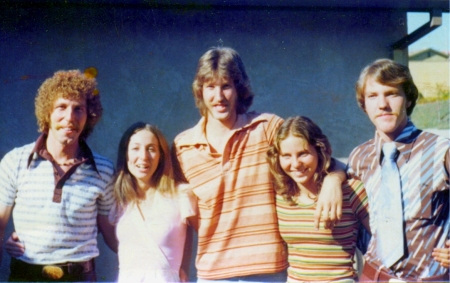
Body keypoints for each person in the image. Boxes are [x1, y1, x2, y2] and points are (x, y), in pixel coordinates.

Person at [173, 46, 346, 282]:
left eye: (226, 86)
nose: (219, 97)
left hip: (269, 271)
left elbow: (319, 157)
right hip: (213, 273)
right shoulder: (183, 146)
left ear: (239, 88)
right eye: (210, 87)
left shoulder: (267, 127)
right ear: (200, 91)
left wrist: (334, 180)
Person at [0, 70, 117, 281]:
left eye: (78, 109)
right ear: (47, 113)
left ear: (89, 116)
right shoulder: (15, 161)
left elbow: (111, 233)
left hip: (80, 277)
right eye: (61, 107)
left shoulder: (104, 170)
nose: (70, 117)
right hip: (26, 275)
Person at [347, 59, 449, 282]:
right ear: (364, 104)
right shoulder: (359, 157)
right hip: (372, 276)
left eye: (392, 93)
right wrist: (332, 181)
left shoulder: (441, 151)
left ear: (409, 98)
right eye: (373, 96)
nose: (382, 104)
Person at [267, 116, 370, 283]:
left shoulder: (350, 191)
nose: (295, 164)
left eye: (303, 153)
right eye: (286, 155)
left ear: (320, 150)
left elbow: (383, 237)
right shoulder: (280, 196)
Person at [108, 122, 197, 283]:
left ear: (161, 155)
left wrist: (184, 265)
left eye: (151, 149)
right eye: (135, 148)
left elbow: (191, 232)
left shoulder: (181, 195)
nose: (143, 156)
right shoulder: (118, 199)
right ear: (125, 154)